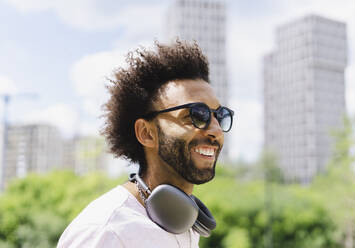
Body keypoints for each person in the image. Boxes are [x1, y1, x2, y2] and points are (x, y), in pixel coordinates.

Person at [57, 40, 234, 248]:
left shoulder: (183, 223)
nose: (216, 130)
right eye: (196, 114)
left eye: (219, 116)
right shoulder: (107, 233)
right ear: (146, 133)